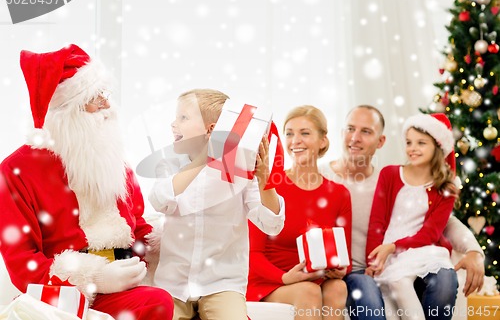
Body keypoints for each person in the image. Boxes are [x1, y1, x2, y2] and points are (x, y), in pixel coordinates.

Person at [0, 44, 174, 319]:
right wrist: (96, 278)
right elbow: (23, 263)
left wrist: (175, 241)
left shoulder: (114, 161)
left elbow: (138, 227)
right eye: (96, 98)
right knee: (156, 302)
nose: (108, 106)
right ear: (67, 111)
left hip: (128, 286)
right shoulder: (16, 171)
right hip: (63, 298)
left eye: (106, 94)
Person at [318, 105, 485, 320]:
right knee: (367, 294)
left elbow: (445, 222)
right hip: (354, 274)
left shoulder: (385, 179)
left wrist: (474, 251)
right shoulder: (318, 176)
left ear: (381, 142)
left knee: (444, 280)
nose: (355, 138)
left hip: (394, 262)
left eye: (366, 131)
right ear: (341, 133)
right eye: (350, 129)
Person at [148, 89, 285, 320]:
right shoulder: (169, 164)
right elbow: (158, 200)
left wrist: (264, 180)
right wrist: (204, 159)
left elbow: (272, 225)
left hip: (222, 284)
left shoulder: (241, 172)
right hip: (173, 284)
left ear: (211, 130)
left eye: (183, 118)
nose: (174, 124)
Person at [247, 105, 352, 320]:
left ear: (323, 140)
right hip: (273, 280)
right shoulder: (269, 186)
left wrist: (340, 269)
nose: (295, 141)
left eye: (305, 133)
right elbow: (253, 254)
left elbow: (344, 255)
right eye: (289, 134)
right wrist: (286, 277)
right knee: (308, 291)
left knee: (338, 288)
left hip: (315, 277)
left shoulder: (339, 193)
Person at [365, 113, 460, 320]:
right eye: (409, 142)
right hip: (388, 252)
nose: (412, 148)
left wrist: (394, 246)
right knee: (395, 290)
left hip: (420, 248)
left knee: (424, 278)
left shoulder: (447, 188)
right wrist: (372, 261)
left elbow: (430, 233)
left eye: (421, 143)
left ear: (438, 147)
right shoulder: (389, 174)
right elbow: (377, 223)